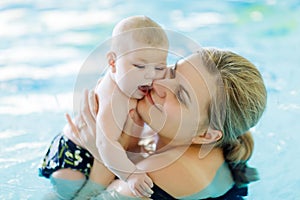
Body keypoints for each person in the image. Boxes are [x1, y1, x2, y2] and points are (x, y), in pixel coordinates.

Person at [68, 47, 267, 199]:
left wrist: (102, 156)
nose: (159, 84)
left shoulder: (148, 178)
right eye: (173, 71)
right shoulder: (228, 152)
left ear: (205, 135)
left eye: (181, 96)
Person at [38, 15, 169, 199]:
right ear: (113, 63)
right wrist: (130, 174)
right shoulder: (114, 97)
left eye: (159, 68)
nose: (149, 75)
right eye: (139, 66)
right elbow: (104, 143)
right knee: (67, 187)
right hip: (73, 155)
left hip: (105, 155)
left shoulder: (133, 85)